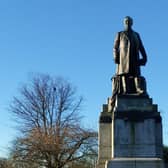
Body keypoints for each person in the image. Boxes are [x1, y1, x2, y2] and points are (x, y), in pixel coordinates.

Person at [112, 16, 147, 94]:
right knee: (124, 73)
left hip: (134, 56)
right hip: (123, 57)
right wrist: (115, 56)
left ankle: (138, 89)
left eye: (129, 21)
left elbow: (141, 46)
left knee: (136, 73)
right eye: (126, 21)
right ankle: (125, 90)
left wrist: (144, 56)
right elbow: (115, 47)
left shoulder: (136, 34)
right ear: (124, 23)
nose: (127, 22)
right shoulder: (120, 34)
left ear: (132, 23)